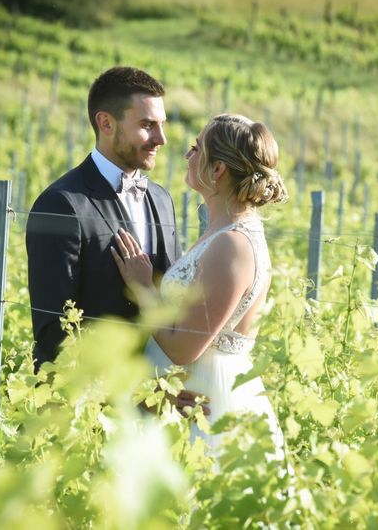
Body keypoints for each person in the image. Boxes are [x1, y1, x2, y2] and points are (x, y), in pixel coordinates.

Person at [111, 113, 288, 457]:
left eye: (196, 148)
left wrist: (142, 287)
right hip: (183, 394)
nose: (187, 156)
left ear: (218, 169)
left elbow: (183, 349)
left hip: (206, 401)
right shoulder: (222, 232)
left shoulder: (233, 244)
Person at [26, 66, 201, 412]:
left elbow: (168, 305)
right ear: (106, 123)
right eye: (147, 125)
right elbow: (54, 332)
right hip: (85, 409)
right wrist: (131, 396)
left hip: (156, 408)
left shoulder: (162, 200)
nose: (162, 139)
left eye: (162, 124)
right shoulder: (62, 203)